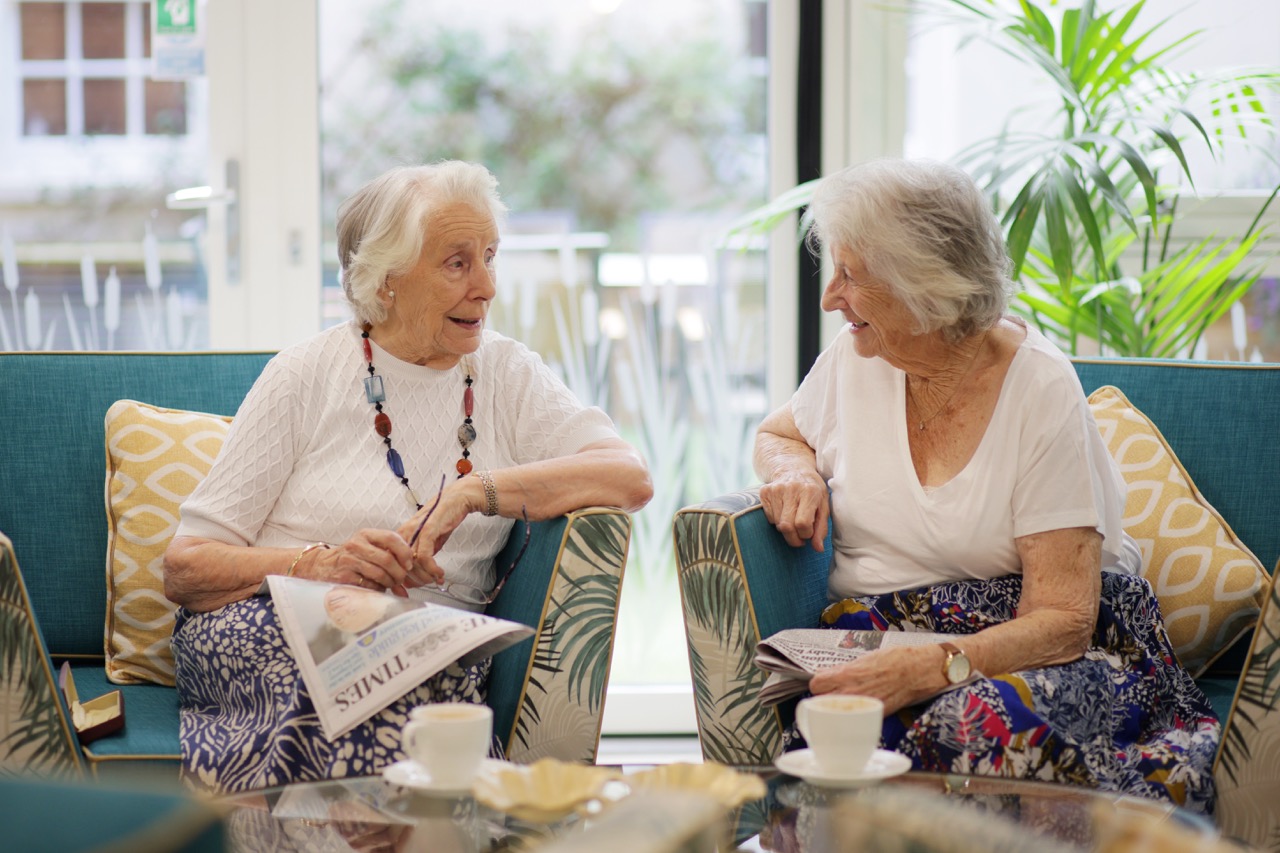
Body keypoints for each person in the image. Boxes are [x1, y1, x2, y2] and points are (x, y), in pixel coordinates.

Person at [164, 161, 653, 795]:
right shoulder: (303, 376)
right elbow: (185, 568)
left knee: (416, 686)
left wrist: (475, 492)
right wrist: (322, 565)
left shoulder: (505, 373)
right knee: (324, 685)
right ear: (386, 280)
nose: (486, 287)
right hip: (268, 622)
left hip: (427, 643)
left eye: (490, 257)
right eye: (457, 263)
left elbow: (628, 476)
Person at [754, 158, 1219, 812]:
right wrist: (794, 468)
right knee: (843, 743)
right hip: (880, 634)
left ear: (924, 283)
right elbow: (778, 433)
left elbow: (1063, 620)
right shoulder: (855, 357)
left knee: (981, 727)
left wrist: (930, 666)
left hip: (1036, 651)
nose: (831, 297)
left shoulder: (1037, 385)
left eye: (851, 274)